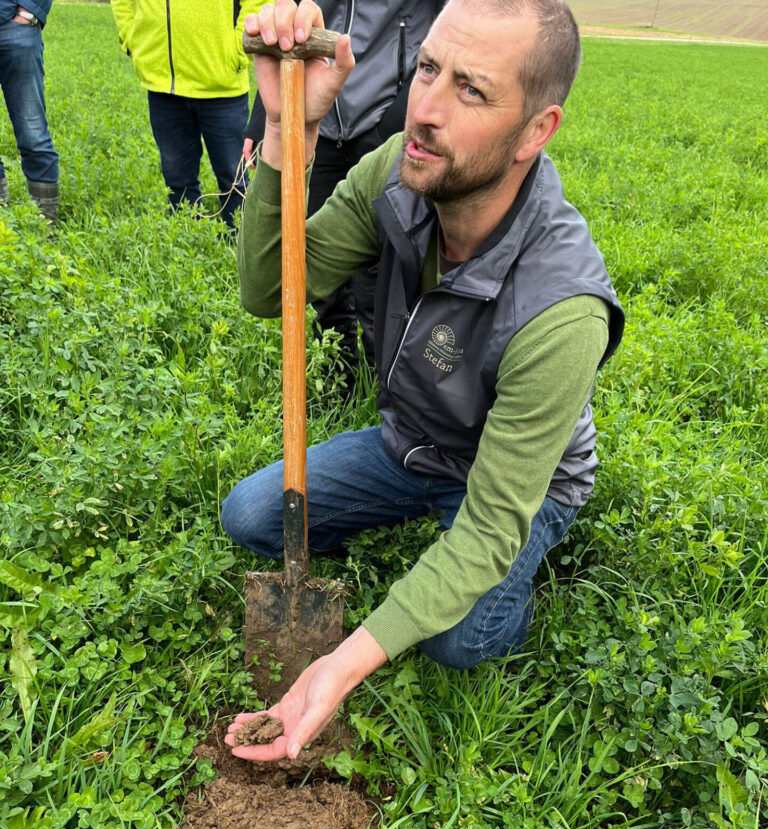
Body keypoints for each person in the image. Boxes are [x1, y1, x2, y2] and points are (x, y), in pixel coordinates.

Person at [223, 0, 625, 761]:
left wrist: (341, 665)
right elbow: (271, 291)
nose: (426, 110)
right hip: (412, 443)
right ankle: (432, 540)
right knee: (250, 515)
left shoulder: (563, 312)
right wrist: (285, 129)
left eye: (471, 90)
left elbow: (490, 524)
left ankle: (516, 581)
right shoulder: (401, 173)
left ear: (535, 131)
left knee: (456, 636)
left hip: (515, 483)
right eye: (429, 69)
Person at [244, 0, 443, 375]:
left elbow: (454, 24)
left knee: (378, 269)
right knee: (318, 256)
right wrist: (266, 119)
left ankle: (380, 378)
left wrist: (400, 118)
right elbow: (292, 19)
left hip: (384, 121)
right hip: (321, 121)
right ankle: (338, 375)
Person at [110, 0, 264, 227]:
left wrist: (239, 48)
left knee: (234, 180)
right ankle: (187, 238)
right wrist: (132, 40)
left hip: (222, 84)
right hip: (162, 83)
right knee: (177, 180)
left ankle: (241, 244)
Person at [0, 1, 59, 222]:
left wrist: (29, 12)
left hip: (16, 27)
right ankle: (3, 229)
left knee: (33, 133)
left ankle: (43, 227)